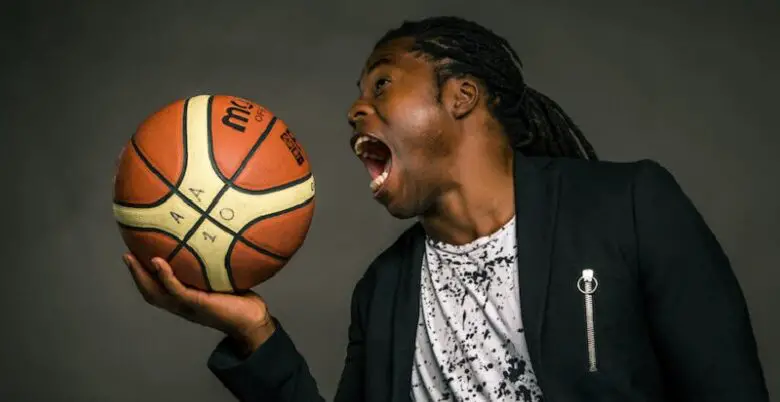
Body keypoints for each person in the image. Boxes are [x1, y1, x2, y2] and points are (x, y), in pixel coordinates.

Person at [123, 16, 769, 402]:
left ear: (461, 95)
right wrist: (252, 329)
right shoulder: (382, 292)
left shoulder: (630, 208)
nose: (354, 110)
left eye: (382, 84)